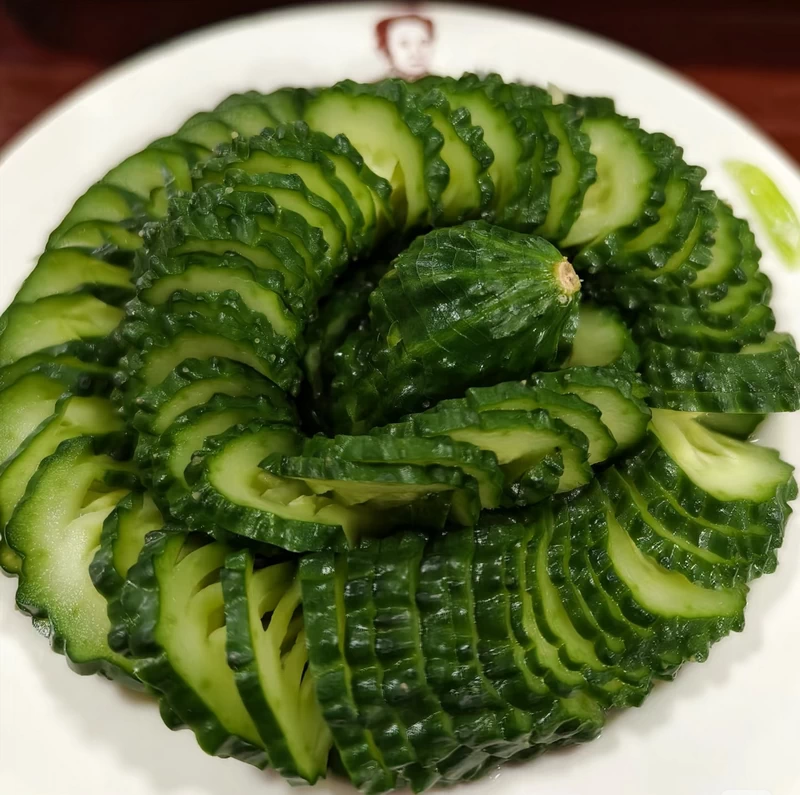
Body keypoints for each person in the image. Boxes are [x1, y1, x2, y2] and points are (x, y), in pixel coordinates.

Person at [376, 13, 435, 80]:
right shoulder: (372, 89)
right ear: (385, 49)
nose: (416, 54)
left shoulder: (445, 85)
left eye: (423, 42)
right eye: (404, 43)